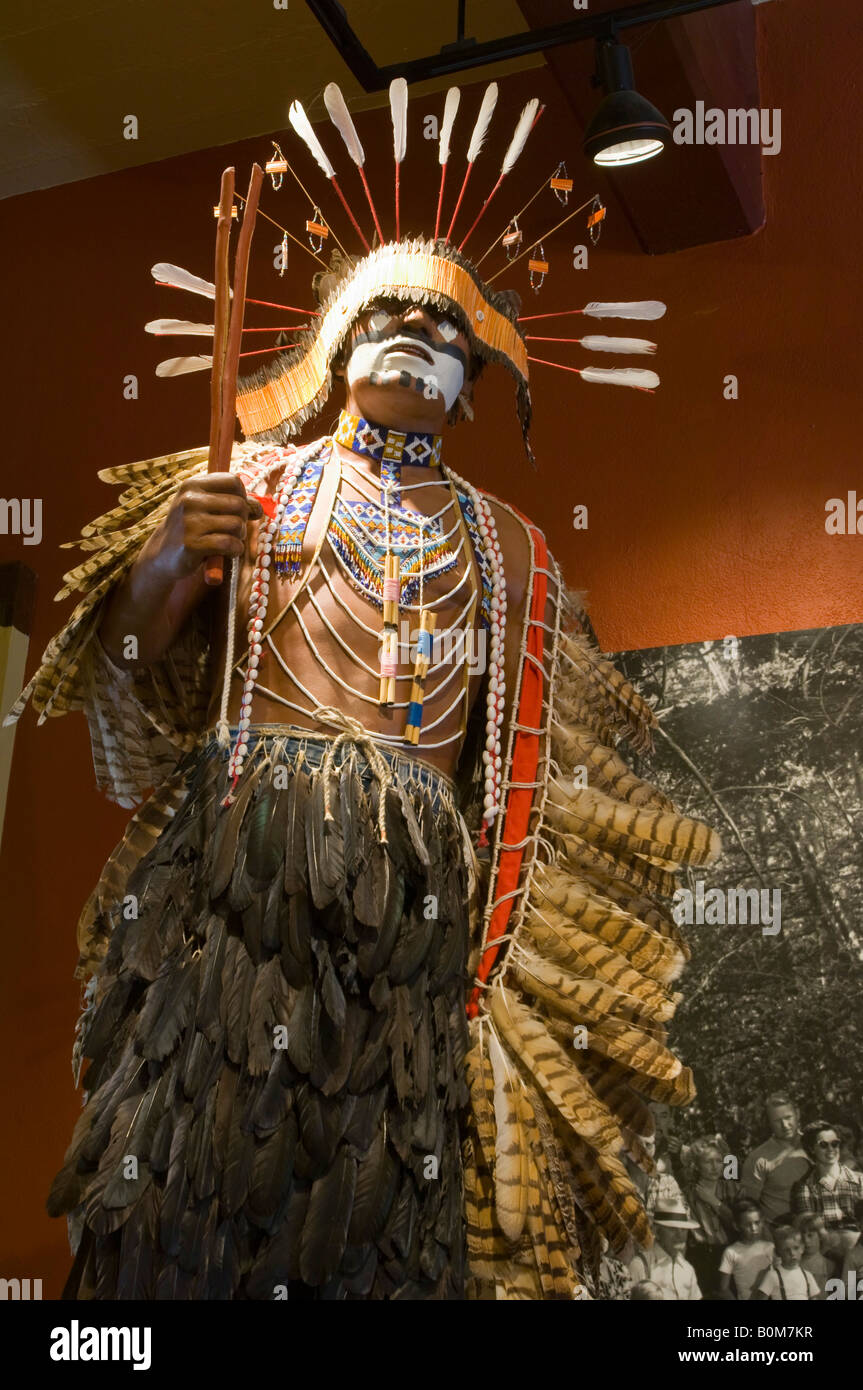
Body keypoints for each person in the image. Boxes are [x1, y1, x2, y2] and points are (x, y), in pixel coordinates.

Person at [7, 84, 718, 1301]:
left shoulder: (513, 553)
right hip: (240, 887)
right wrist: (165, 568)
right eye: (382, 309)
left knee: (386, 1204)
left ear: (475, 377)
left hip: (417, 935)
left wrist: (496, 976)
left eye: (440, 324)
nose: (408, 326)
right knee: (188, 1178)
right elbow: (122, 713)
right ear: (334, 343)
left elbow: (530, 794)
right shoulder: (247, 488)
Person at [680, 1134, 737, 1297]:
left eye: (719, 1161)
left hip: (729, 1253)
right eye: (708, 1162)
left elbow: (739, 1223)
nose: (715, 1167)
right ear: (696, 1165)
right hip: (700, 1256)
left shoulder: (732, 1189)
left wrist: (714, 1202)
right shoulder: (687, 1194)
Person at [740, 1093, 809, 1225]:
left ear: (798, 1114)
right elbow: (748, 1207)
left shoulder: (816, 1146)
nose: (785, 1125)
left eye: (788, 1117)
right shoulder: (758, 1158)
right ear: (769, 1123)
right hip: (780, 1234)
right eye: (777, 1121)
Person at [791, 1121, 863, 1237]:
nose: (831, 1149)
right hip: (827, 1247)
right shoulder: (805, 1187)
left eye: (835, 1144)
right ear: (812, 1148)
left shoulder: (860, 1180)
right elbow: (809, 1231)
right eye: (823, 1145)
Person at [629, 1195, 703, 1300]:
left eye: (683, 1229)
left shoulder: (687, 1269)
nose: (680, 1235)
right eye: (673, 1229)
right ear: (657, 1231)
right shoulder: (640, 1265)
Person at [717, 1198, 774, 1301]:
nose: (754, 1228)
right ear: (737, 1226)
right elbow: (723, 1289)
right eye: (748, 1224)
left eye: (757, 1223)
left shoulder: (770, 1248)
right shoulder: (731, 1252)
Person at [751, 1225, 820, 1301]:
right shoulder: (772, 1276)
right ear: (778, 1252)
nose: (792, 1253)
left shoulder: (807, 1275)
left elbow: (814, 1298)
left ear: (802, 1248)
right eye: (786, 1250)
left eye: (796, 1248)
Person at [796, 1212, 833, 1292]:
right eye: (802, 1236)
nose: (806, 1241)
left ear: (820, 1236)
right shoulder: (792, 1265)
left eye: (810, 1235)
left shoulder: (830, 1266)